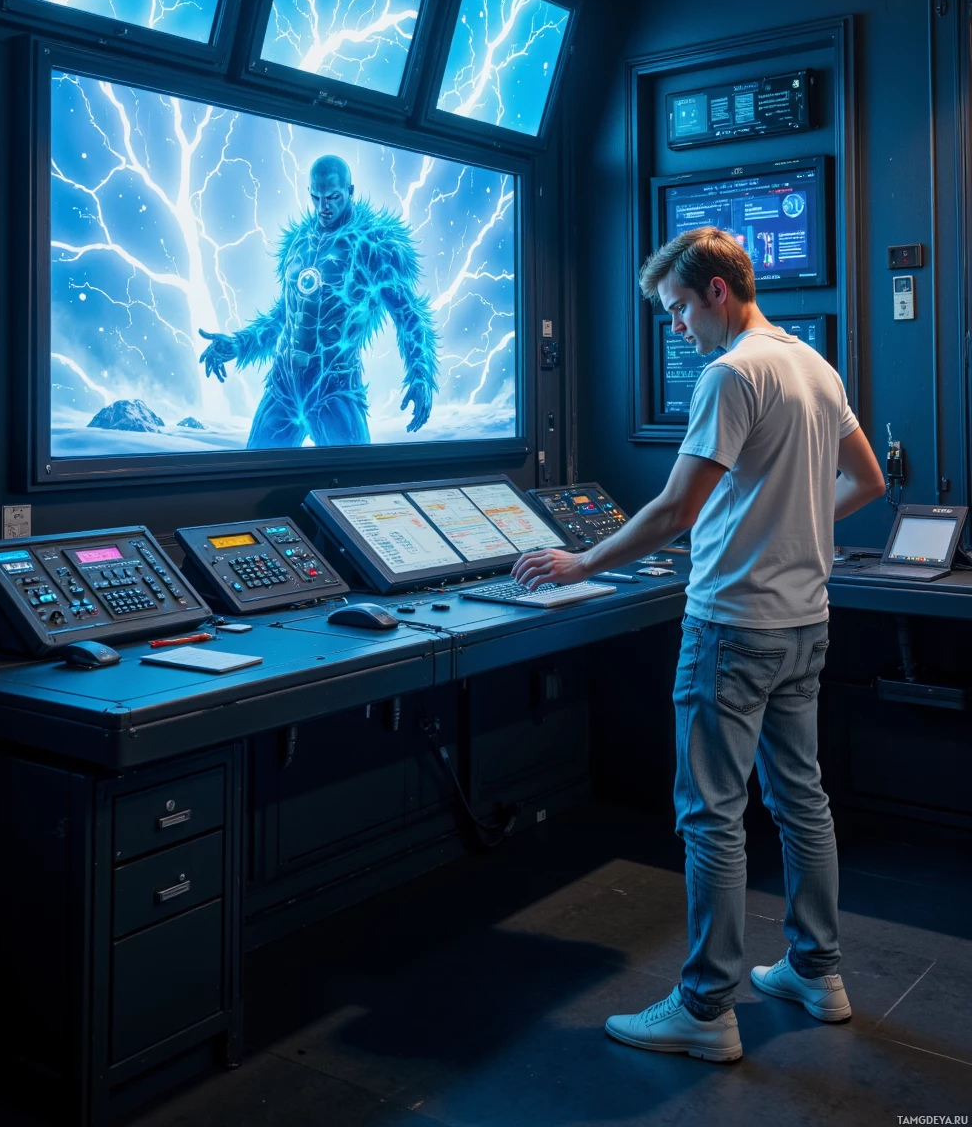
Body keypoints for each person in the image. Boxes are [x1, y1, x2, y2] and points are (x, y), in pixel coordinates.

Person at [512, 226, 884, 1065]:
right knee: (802, 800)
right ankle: (818, 975)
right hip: (804, 621)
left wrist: (581, 561)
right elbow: (868, 481)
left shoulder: (731, 374)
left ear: (717, 293)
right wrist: (788, 527)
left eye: (679, 308)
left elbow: (677, 510)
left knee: (712, 817)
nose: (676, 327)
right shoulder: (811, 364)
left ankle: (705, 1008)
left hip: (732, 625)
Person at [198, 155, 438, 447]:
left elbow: (409, 315)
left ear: (351, 191)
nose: (324, 207)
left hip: (334, 387)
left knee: (354, 489)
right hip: (283, 388)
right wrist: (239, 343)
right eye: (317, 197)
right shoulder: (298, 243)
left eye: (334, 197)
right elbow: (284, 317)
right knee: (253, 479)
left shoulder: (371, 246)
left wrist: (421, 374)